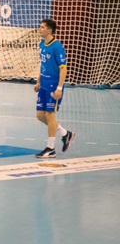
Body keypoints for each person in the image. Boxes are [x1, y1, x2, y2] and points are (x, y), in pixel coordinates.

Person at [34, 19, 75, 159]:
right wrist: (38, 81)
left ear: (49, 30)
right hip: (44, 85)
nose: (39, 29)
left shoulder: (57, 46)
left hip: (53, 86)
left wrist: (59, 88)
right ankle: (65, 133)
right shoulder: (42, 44)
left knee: (50, 115)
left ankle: (50, 149)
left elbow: (63, 69)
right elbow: (43, 64)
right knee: (40, 115)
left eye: (42, 27)